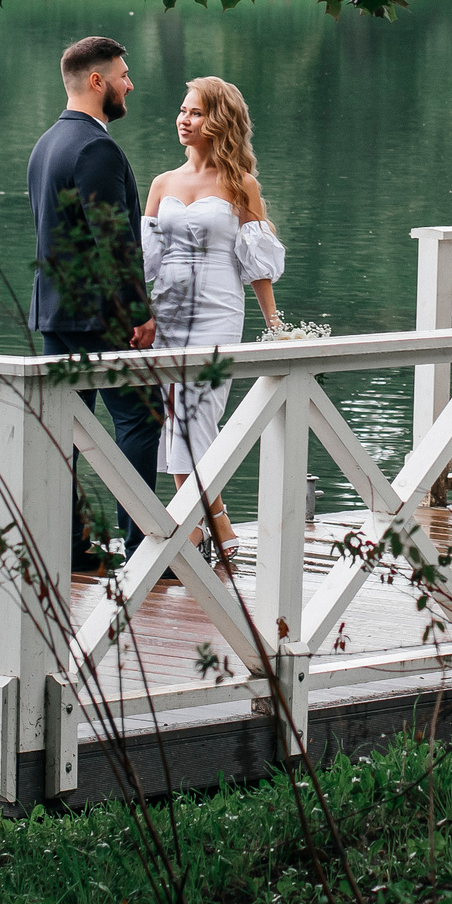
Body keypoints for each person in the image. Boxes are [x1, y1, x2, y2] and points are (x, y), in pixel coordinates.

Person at [27, 36, 162, 574]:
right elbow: (115, 241)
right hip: (99, 318)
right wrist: (138, 313)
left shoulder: (46, 145)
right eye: (124, 75)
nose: (131, 84)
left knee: (67, 434)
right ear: (98, 81)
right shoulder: (96, 148)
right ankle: (144, 546)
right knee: (140, 420)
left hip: (55, 314)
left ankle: (71, 548)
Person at [142, 76, 286, 573]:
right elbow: (148, 260)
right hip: (170, 313)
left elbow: (258, 263)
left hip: (219, 310)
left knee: (196, 415)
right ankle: (210, 524)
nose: (184, 120)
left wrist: (275, 324)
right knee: (177, 417)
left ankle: (207, 523)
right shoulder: (162, 183)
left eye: (196, 112)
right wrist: (138, 315)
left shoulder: (239, 184)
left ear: (219, 120)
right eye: (182, 111)